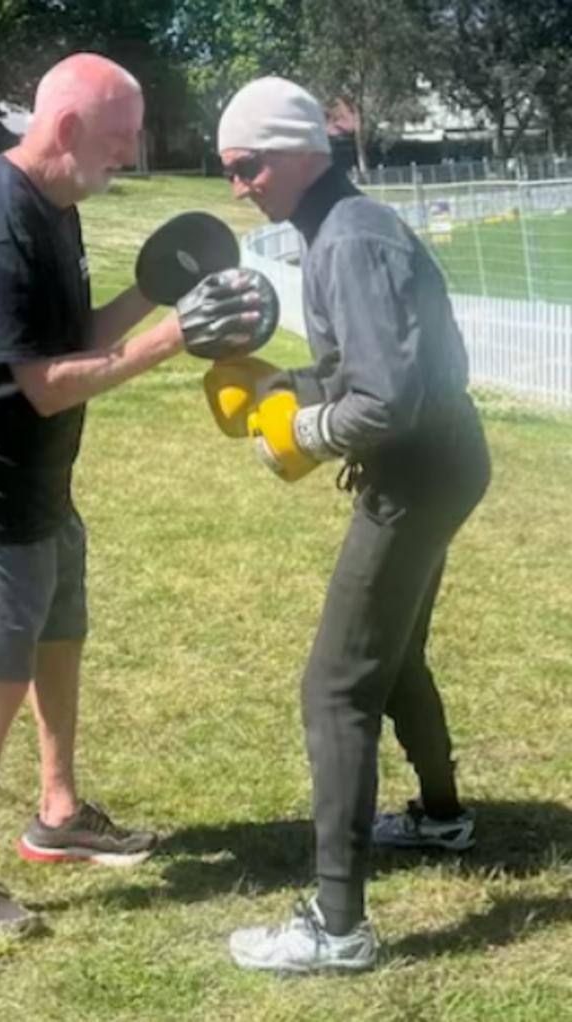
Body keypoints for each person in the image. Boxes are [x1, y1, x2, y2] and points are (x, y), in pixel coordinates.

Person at [0, 53, 261, 944]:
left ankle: (57, 813)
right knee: (1, 671)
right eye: (119, 140)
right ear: (64, 131)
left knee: (60, 634)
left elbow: (75, 338)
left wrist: (155, 293)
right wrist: (174, 339)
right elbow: (50, 383)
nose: (130, 157)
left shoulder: (56, 210)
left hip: (41, 482)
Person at [215, 77, 491, 973]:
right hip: (443, 464)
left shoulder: (349, 240)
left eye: (248, 165)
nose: (238, 185)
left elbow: (386, 399)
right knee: (394, 651)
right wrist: (281, 385)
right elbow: (363, 368)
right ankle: (443, 819)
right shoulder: (339, 229)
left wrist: (303, 431)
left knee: (335, 688)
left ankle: (337, 929)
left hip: (418, 471)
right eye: (230, 170)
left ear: (298, 153)